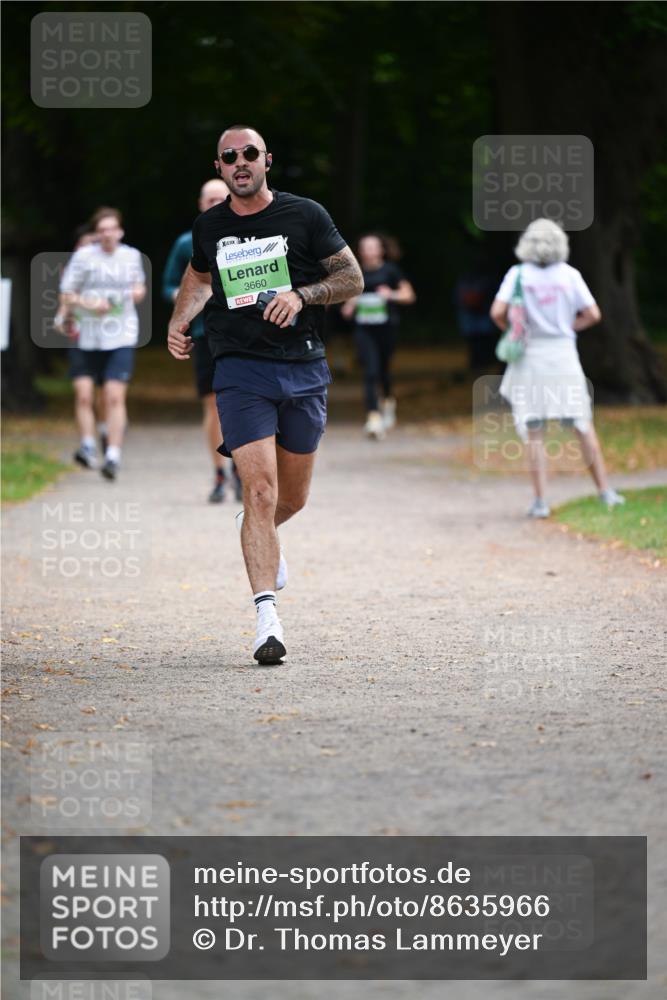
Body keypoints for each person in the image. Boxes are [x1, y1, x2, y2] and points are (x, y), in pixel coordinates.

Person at [167, 124, 363, 664]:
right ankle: (266, 620)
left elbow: (351, 279)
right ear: (220, 168)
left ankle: (256, 530)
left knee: (290, 499)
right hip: (238, 369)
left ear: (267, 160)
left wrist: (302, 296)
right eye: (229, 157)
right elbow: (199, 278)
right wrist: (179, 320)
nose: (240, 162)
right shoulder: (210, 225)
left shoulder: (305, 215)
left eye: (249, 153)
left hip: (302, 366)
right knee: (258, 492)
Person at [490, 218, 625, 518]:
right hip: (563, 354)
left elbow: (497, 312)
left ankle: (540, 501)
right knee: (581, 423)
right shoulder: (570, 275)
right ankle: (605, 491)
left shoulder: (518, 275)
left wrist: (514, 332)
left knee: (534, 429)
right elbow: (593, 313)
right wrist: (569, 327)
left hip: (530, 355)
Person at [162, 179, 242, 503]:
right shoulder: (187, 242)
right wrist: (187, 299)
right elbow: (168, 285)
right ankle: (220, 472)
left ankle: (244, 468)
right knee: (214, 405)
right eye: (208, 200)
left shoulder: (247, 238)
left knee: (244, 404)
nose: (214, 204)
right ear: (200, 204)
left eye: (219, 199)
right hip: (205, 335)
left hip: (244, 333)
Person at [60, 207, 146, 480]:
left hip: (121, 335)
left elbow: (140, 288)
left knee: (113, 396)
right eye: (103, 230)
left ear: (120, 231)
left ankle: (112, 455)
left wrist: (135, 293)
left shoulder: (131, 256)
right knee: (85, 395)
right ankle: (87, 444)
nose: (108, 234)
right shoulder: (84, 258)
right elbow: (67, 293)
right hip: (87, 335)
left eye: (113, 228)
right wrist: (90, 303)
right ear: (97, 234)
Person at [340, 233, 416, 439]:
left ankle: (388, 401)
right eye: (365, 247)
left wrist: (390, 295)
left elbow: (409, 295)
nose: (368, 251)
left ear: (381, 250)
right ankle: (373, 417)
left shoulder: (390, 271)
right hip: (364, 329)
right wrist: (349, 306)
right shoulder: (356, 273)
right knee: (370, 371)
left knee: (383, 370)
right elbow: (348, 298)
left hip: (386, 328)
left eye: (373, 247)